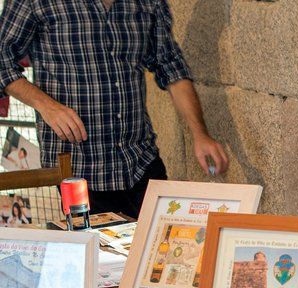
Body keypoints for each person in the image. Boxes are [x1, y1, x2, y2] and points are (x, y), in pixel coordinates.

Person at [0, 0, 229, 218]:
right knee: (98, 247)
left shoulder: (148, 3)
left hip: (140, 160)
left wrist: (200, 134)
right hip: (80, 169)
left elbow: (170, 66)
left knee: (159, 241)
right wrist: (47, 106)